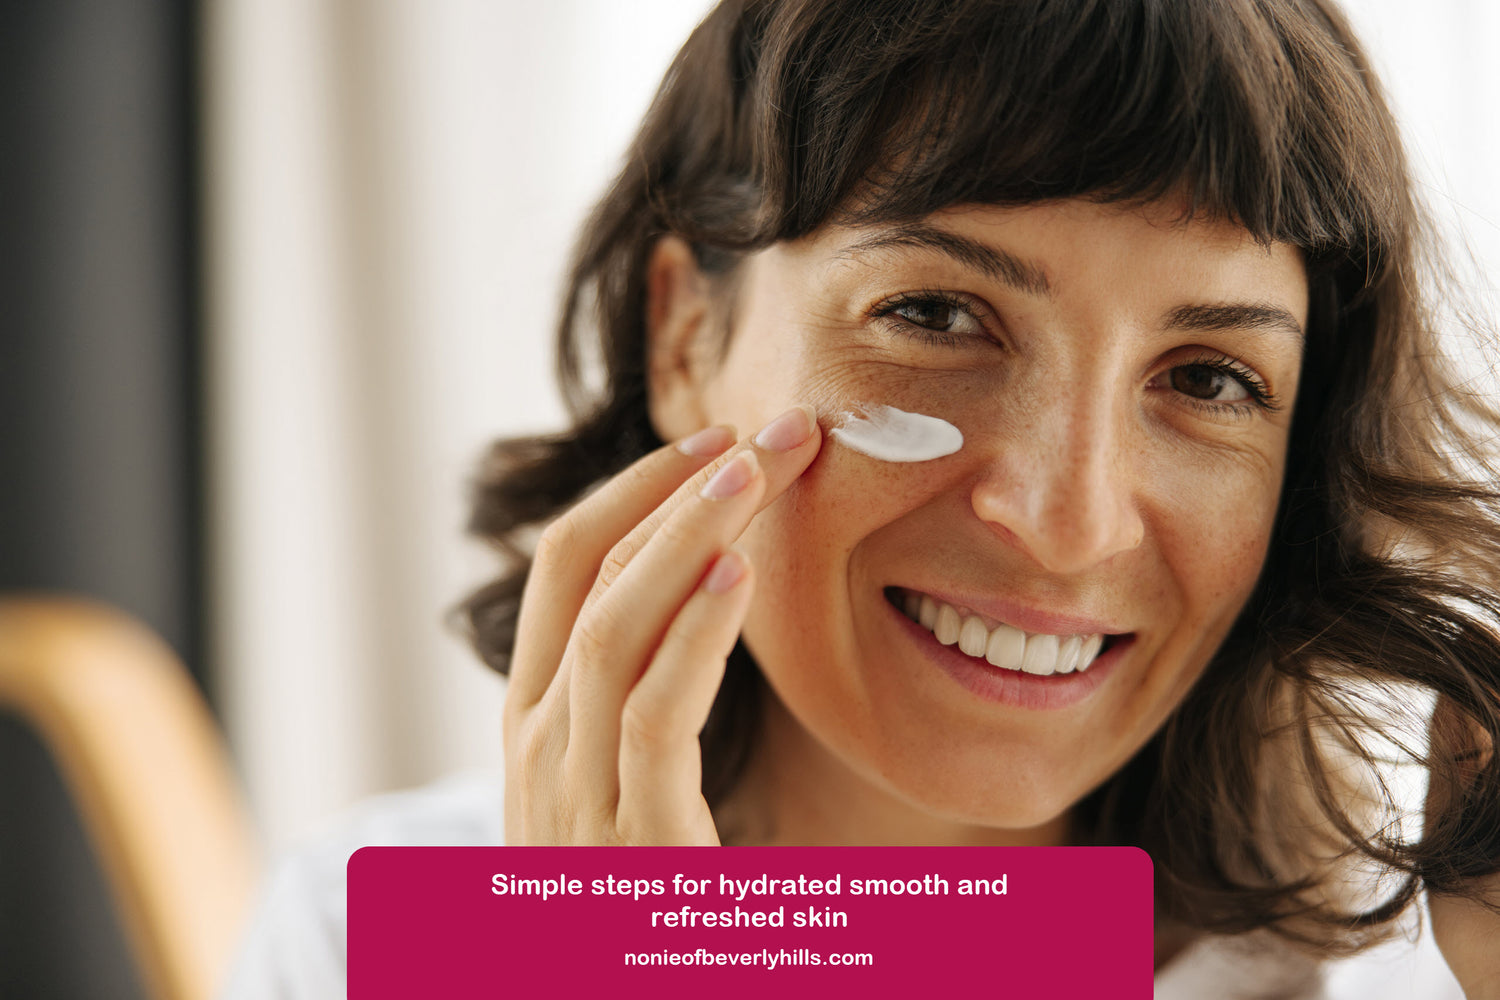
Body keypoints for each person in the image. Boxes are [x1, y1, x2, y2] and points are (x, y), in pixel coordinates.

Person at [223, 1, 1500, 996]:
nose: (1068, 520)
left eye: (1211, 378)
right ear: (684, 340)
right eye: (935, 314)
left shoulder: (1396, 978)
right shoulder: (368, 940)